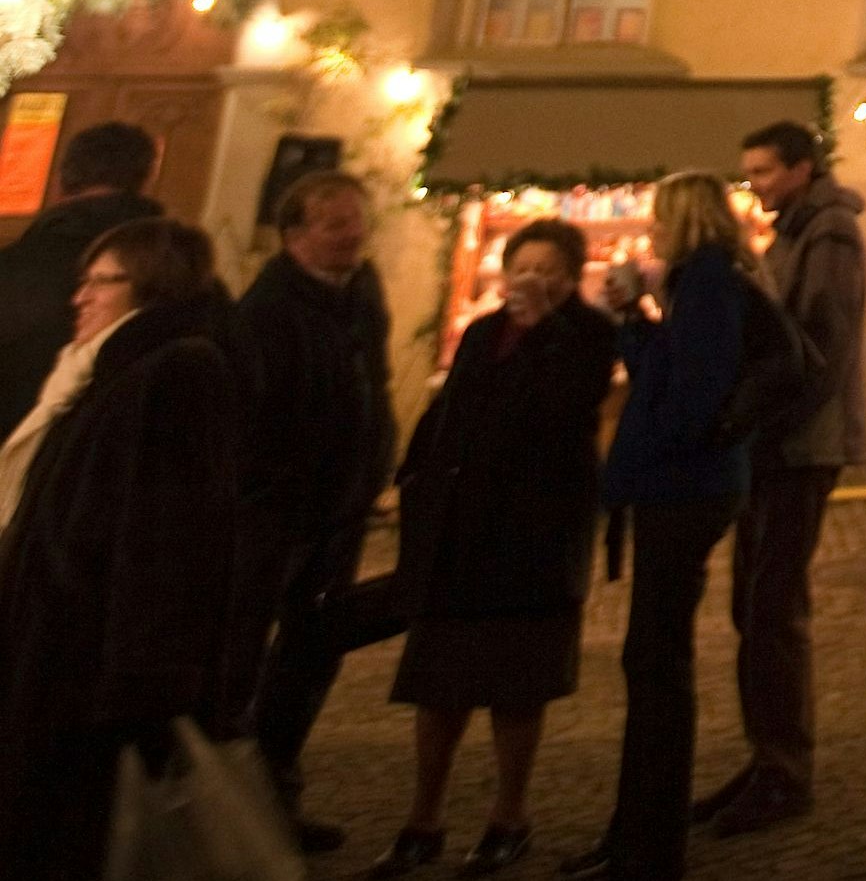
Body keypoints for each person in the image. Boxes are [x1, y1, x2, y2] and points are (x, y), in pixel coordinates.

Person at [363, 216, 620, 880]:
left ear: (570, 276)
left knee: (515, 687)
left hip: (532, 535)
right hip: (460, 534)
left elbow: (566, 411)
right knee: (439, 687)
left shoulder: (587, 335)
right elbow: (450, 413)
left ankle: (509, 818)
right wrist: (413, 479)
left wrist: (544, 332)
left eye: (546, 270)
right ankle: (423, 820)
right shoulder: (481, 332)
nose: (531, 281)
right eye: (521, 268)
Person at [0, 214, 239, 880]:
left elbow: (167, 540)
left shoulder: (176, 374)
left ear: (152, 289)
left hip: (91, 667)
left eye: (101, 282)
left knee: (79, 838)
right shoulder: (95, 373)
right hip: (55, 649)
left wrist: (146, 683)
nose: (79, 297)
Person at [562, 174, 753, 881]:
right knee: (650, 661)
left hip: (685, 488)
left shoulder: (706, 285)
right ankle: (636, 830)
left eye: (660, 219)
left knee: (657, 664)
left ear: (683, 220)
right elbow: (666, 376)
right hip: (681, 484)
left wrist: (652, 449)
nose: (652, 230)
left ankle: (649, 839)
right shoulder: (697, 286)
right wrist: (637, 320)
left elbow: (691, 396)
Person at [693, 119, 866, 841]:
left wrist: (761, 419)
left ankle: (784, 769)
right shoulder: (796, 230)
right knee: (756, 607)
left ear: (801, 169)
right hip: (779, 446)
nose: (755, 185)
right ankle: (766, 758)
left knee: (773, 609)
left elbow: (818, 346)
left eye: (764, 171)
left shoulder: (827, 233)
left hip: (798, 447)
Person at [237, 167, 397, 851]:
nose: (352, 234)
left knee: (310, 650)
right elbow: (258, 419)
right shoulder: (267, 312)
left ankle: (278, 789)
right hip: (279, 516)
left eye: (357, 220)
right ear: (295, 236)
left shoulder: (361, 291)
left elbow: (374, 380)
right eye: (335, 224)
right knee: (246, 655)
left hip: (340, 508)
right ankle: (235, 807)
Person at [0, 115, 163, 435]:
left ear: (60, 181)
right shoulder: (178, 271)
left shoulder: (14, 264)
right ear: (146, 183)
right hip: (122, 457)